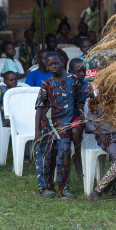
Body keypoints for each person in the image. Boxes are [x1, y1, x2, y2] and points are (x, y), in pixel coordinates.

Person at [34, 52, 83, 198]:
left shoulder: (73, 80)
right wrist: (37, 130)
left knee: (64, 155)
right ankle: (44, 187)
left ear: (62, 62)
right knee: (45, 155)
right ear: (46, 66)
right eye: (50, 64)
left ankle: (64, 189)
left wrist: (82, 118)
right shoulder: (46, 84)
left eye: (56, 63)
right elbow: (39, 107)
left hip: (65, 125)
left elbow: (79, 100)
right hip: (48, 123)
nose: (53, 66)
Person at [86, 94, 116, 196]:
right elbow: (89, 123)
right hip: (107, 138)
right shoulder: (96, 103)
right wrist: (100, 135)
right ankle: (108, 186)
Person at [67, 58, 91, 177]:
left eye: (84, 71)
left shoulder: (87, 86)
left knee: (75, 130)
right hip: (64, 116)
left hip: (79, 116)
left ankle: (77, 157)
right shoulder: (65, 83)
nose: (82, 74)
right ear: (70, 71)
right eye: (78, 71)